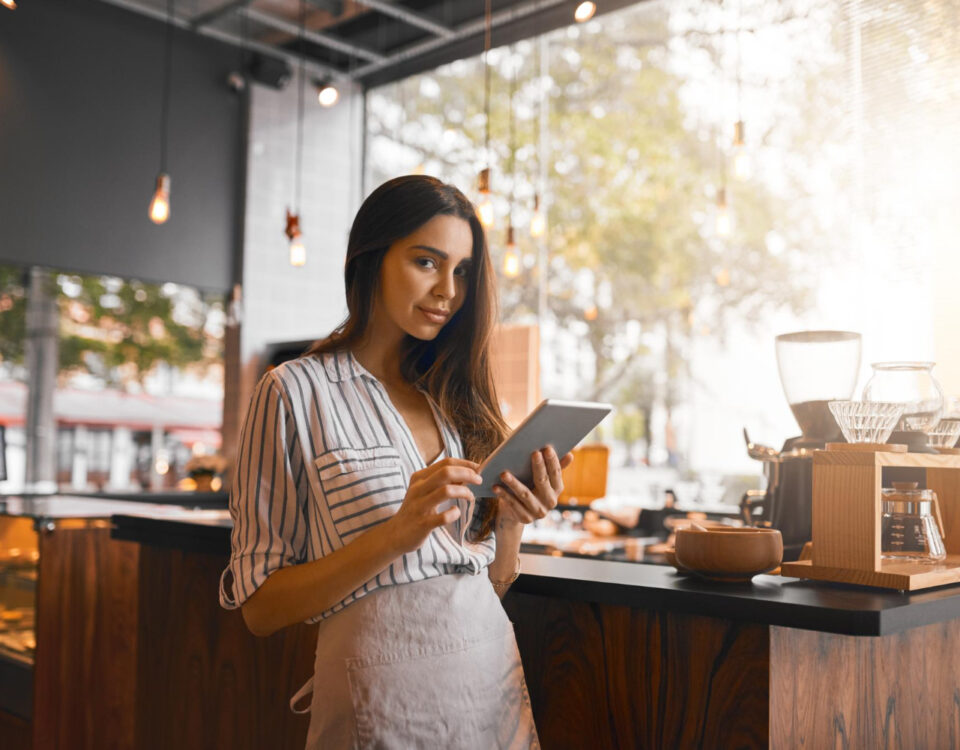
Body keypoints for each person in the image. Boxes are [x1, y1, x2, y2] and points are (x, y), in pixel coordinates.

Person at [220, 175, 573, 749]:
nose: (449, 292)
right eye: (427, 262)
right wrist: (396, 534)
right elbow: (260, 608)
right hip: (380, 704)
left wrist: (511, 523)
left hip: (491, 689)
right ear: (371, 258)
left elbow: (487, 584)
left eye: (462, 272)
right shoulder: (293, 391)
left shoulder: (457, 402)